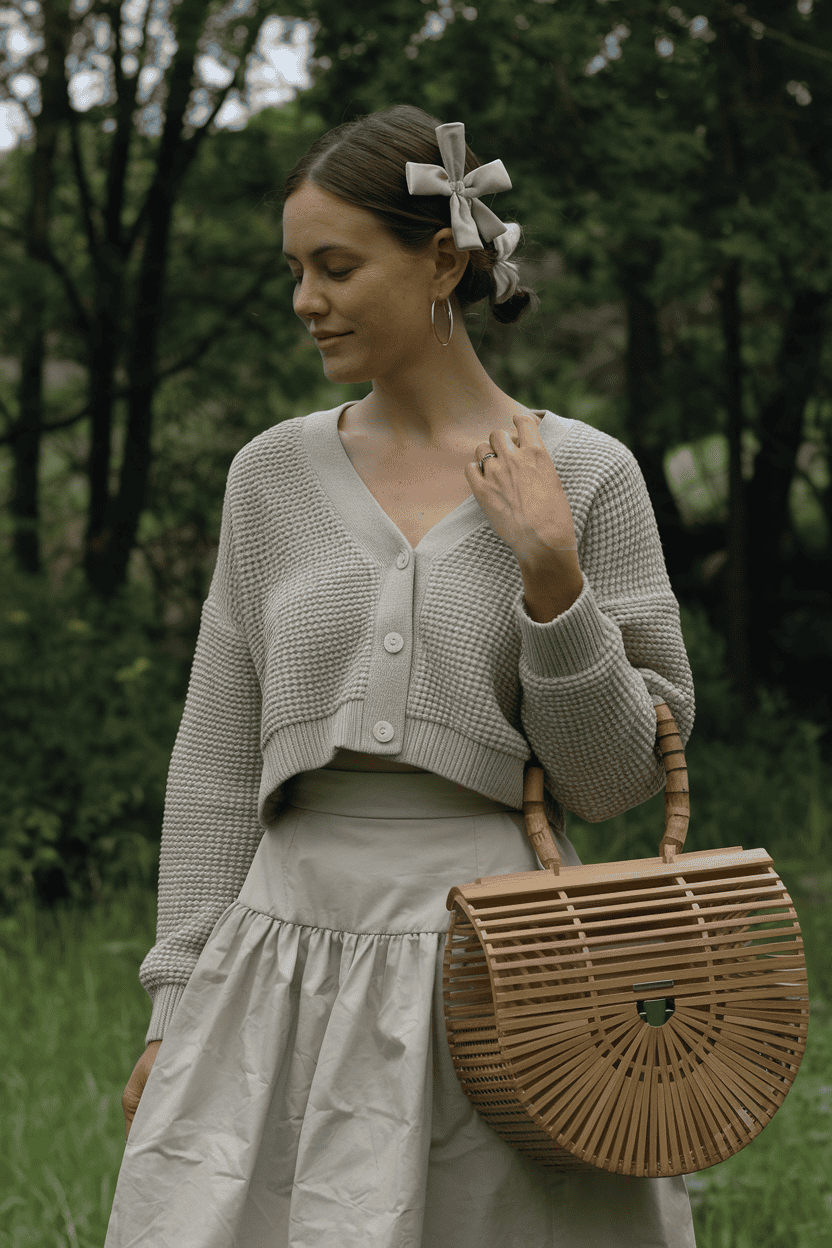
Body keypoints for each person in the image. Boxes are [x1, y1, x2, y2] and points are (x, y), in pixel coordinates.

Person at [105, 104, 697, 1247]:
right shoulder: (268, 477)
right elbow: (217, 761)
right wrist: (174, 1005)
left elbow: (619, 782)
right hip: (276, 966)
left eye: (336, 266)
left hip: (497, 972)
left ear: (442, 260)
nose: (305, 301)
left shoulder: (586, 474)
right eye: (295, 270)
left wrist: (553, 579)